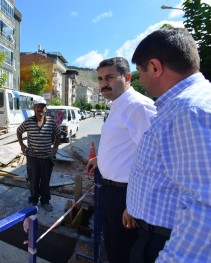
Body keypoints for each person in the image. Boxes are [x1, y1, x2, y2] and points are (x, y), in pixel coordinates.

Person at [125, 28, 211, 263]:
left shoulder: (188, 111)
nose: (141, 80)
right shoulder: (186, 105)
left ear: (155, 67)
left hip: (164, 243)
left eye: (140, 72)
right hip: (154, 233)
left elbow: (204, 207)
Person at [86, 57, 157, 263]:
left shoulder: (138, 107)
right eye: (100, 79)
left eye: (109, 77)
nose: (103, 83)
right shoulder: (117, 106)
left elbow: (154, 159)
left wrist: (135, 205)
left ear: (127, 77)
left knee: (123, 252)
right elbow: (128, 146)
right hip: (109, 191)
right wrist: (100, 159)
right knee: (112, 246)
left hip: (126, 194)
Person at [17, 98, 61, 212]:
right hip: (32, 157)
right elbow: (19, 131)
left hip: (47, 157)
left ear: (45, 109)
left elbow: (58, 134)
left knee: (45, 181)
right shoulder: (28, 121)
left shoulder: (51, 122)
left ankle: (45, 201)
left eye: (42, 106)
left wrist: (55, 148)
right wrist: (22, 145)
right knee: (33, 180)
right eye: (38, 106)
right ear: (34, 108)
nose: (40, 109)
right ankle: (33, 200)